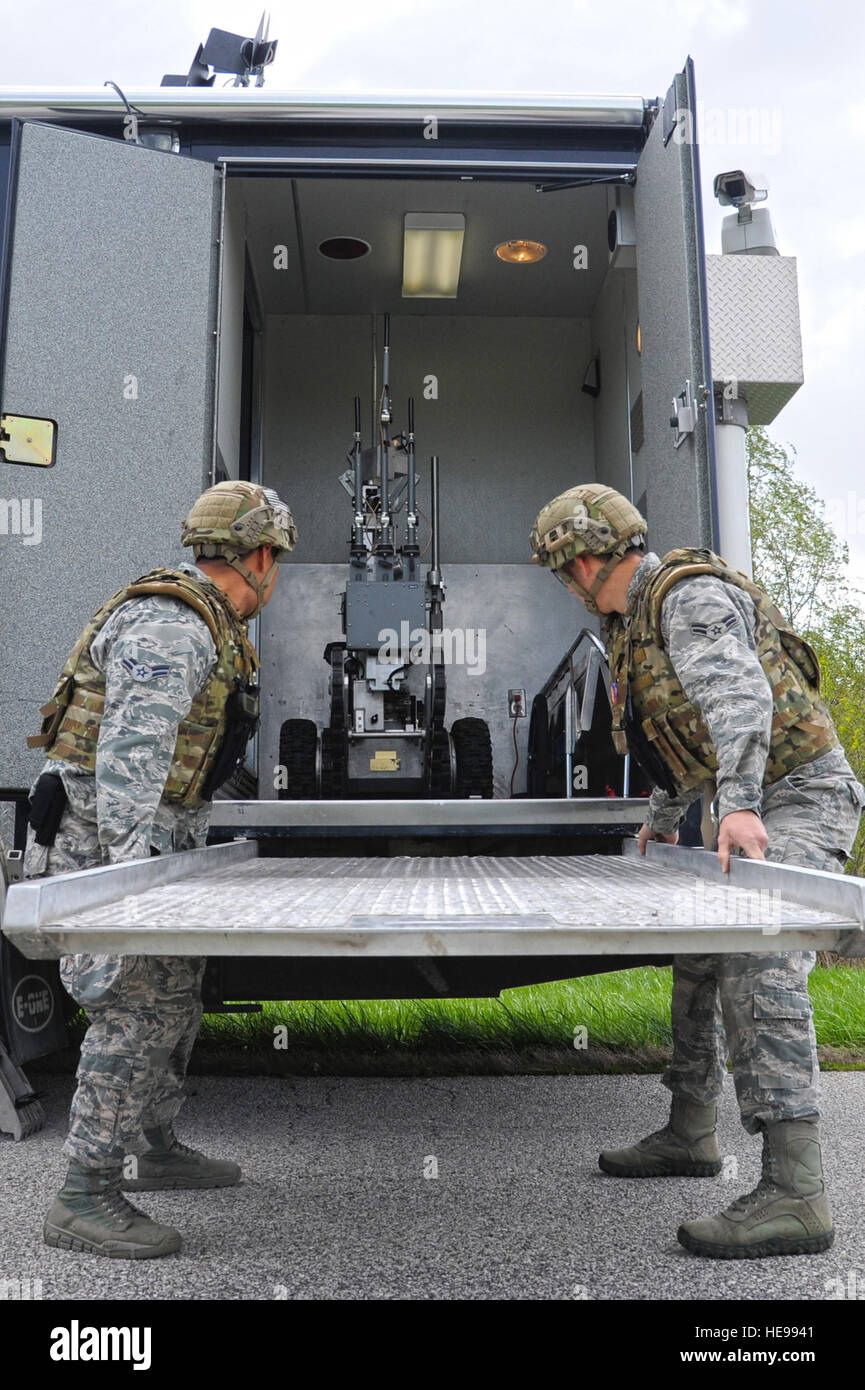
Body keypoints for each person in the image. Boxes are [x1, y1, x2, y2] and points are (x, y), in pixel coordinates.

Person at [530, 482, 864, 1260]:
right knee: (699, 950)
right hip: (743, 798)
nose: (566, 586)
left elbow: (739, 702)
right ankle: (690, 1132)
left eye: (559, 571)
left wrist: (739, 805)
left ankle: (795, 1193)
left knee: (759, 949)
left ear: (579, 562)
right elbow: (677, 737)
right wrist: (661, 822)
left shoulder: (685, 599)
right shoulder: (632, 623)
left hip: (797, 793)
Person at [25, 481, 297, 1259]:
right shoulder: (175, 625)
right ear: (260, 556)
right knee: (134, 1009)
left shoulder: (208, 619)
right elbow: (131, 760)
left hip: (159, 840)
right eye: (274, 560)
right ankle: (83, 1195)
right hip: (116, 843)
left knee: (175, 998)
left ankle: (155, 1148)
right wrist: (129, 879)